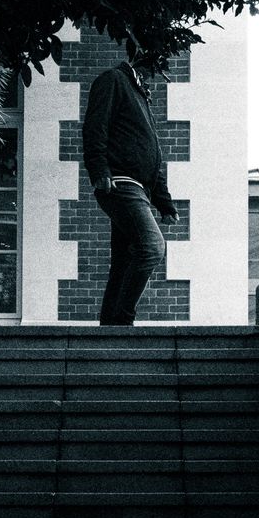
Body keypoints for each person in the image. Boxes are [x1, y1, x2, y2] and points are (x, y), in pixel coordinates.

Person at [82, 52, 179, 326]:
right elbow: (94, 128)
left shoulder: (141, 97)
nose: (152, 81)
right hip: (120, 184)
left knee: (124, 262)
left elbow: (152, 155)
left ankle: (110, 327)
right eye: (151, 73)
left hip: (138, 188)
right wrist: (99, 170)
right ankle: (123, 320)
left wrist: (164, 202)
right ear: (141, 64)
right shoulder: (113, 80)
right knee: (152, 247)